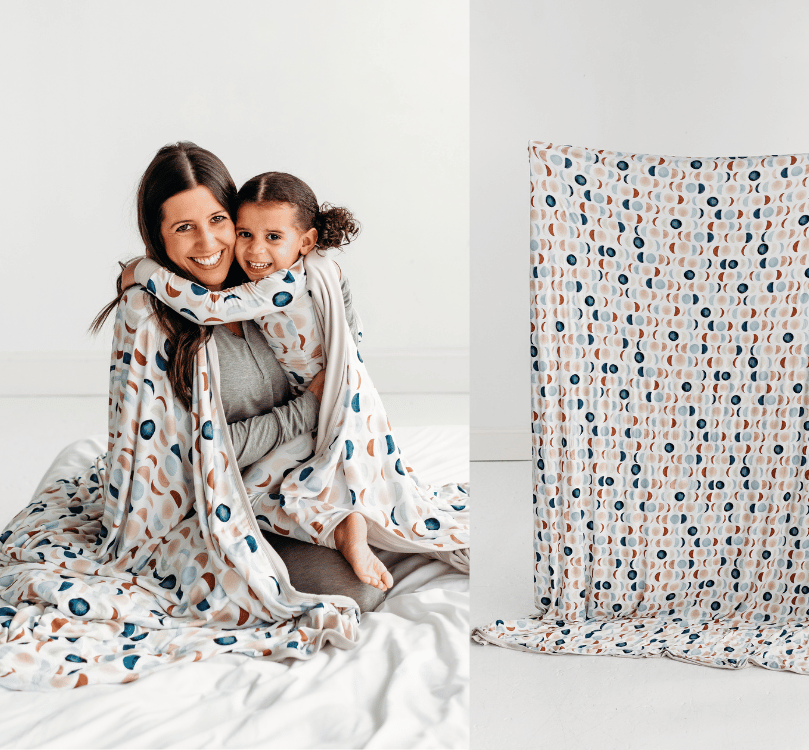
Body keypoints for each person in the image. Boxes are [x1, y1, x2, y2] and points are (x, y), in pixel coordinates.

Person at [0, 142, 360, 689]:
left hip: (287, 476)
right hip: (207, 504)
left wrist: (325, 413)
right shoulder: (150, 318)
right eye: (183, 228)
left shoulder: (261, 286)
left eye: (218, 220)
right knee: (349, 592)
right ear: (158, 237)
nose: (210, 242)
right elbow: (197, 455)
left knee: (384, 533)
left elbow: (338, 357)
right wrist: (310, 409)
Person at [122, 171, 470, 591]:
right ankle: (345, 519)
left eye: (271, 236)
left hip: (336, 397)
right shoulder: (160, 316)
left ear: (304, 242)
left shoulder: (281, 284)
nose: (252, 249)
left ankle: (346, 522)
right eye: (246, 233)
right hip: (311, 405)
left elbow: (208, 307)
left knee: (315, 473)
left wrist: (142, 269)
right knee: (294, 480)